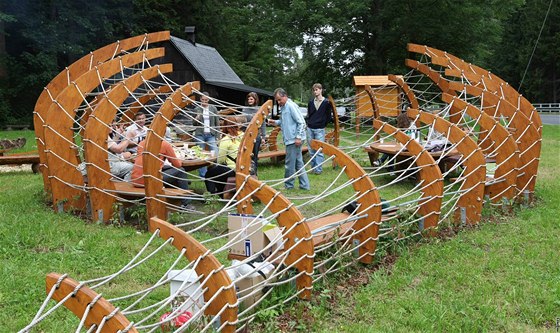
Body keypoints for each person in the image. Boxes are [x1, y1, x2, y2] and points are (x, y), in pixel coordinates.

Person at [267, 88, 310, 190]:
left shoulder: (290, 106)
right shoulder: (284, 107)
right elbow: (285, 122)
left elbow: (301, 122)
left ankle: (288, 186)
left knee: (289, 164)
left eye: (279, 99)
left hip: (294, 140)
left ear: (285, 96)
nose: (278, 102)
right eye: (277, 100)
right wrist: (275, 122)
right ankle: (305, 185)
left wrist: (298, 137)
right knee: (298, 162)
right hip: (291, 139)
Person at [131, 139, 192, 209]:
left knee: (167, 168)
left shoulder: (142, 143)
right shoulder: (164, 144)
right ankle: (186, 204)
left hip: (136, 180)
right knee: (181, 171)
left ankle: (179, 191)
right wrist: (180, 160)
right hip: (150, 181)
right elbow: (177, 164)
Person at [204, 117, 242, 197]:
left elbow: (221, 159)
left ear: (227, 128)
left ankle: (211, 195)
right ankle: (221, 192)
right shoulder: (242, 136)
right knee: (217, 171)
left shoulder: (226, 140)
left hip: (232, 169)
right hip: (242, 167)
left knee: (209, 173)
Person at [306, 83, 332, 175]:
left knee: (319, 150)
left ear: (321, 90)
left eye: (317, 89)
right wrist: (308, 123)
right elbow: (309, 114)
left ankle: (318, 170)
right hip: (310, 128)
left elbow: (329, 116)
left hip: (320, 128)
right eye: (314, 90)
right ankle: (313, 168)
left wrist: (323, 124)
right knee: (311, 149)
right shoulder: (310, 102)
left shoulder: (326, 103)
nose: (315, 91)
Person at [193, 92, 219, 177]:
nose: (204, 101)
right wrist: (197, 119)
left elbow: (217, 123)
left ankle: (216, 172)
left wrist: (218, 136)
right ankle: (203, 175)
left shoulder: (213, 108)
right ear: (200, 99)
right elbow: (194, 124)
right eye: (203, 99)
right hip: (200, 134)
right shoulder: (197, 109)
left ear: (209, 100)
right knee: (200, 155)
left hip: (211, 134)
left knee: (215, 153)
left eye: (206, 100)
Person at [242, 92, 266, 176]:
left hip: (256, 136)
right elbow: (242, 122)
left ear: (255, 100)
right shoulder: (244, 109)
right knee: (247, 154)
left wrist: (263, 137)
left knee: (255, 155)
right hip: (247, 135)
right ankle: (247, 172)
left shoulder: (259, 110)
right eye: (248, 99)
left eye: (251, 99)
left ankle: (254, 173)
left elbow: (263, 123)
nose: (249, 100)